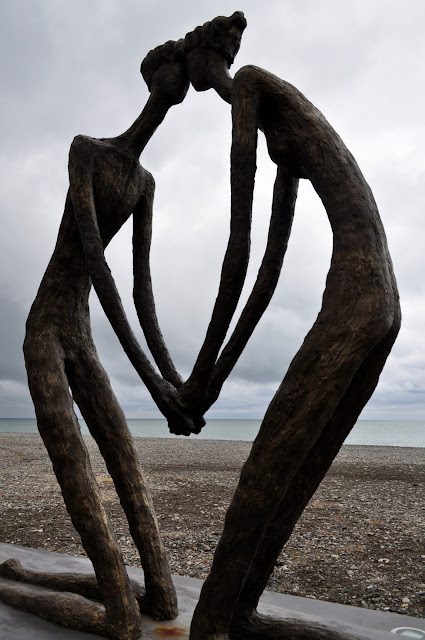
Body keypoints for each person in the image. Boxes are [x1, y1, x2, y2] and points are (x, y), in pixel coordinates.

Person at [178, 18, 401, 640]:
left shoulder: (249, 86)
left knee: (268, 466)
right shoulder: (286, 113)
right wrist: (210, 379)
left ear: (204, 58)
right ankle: (240, 613)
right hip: (384, 300)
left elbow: (241, 244)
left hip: (357, 296)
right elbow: (273, 261)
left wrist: (201, 379)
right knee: (295, 471)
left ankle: (217, 621)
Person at [0, 38, 193, 640]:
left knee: (129, 474)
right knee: (80, 472)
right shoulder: (86, 150)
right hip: (48, 331)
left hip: (83, 335)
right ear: (153, 74)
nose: (182, 81)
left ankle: (126, 583)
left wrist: (178, 382)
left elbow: (141, 291)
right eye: (175, 69)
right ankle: (55, 591)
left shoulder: (145, 184)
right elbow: (94, 259)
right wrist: (156, 388)